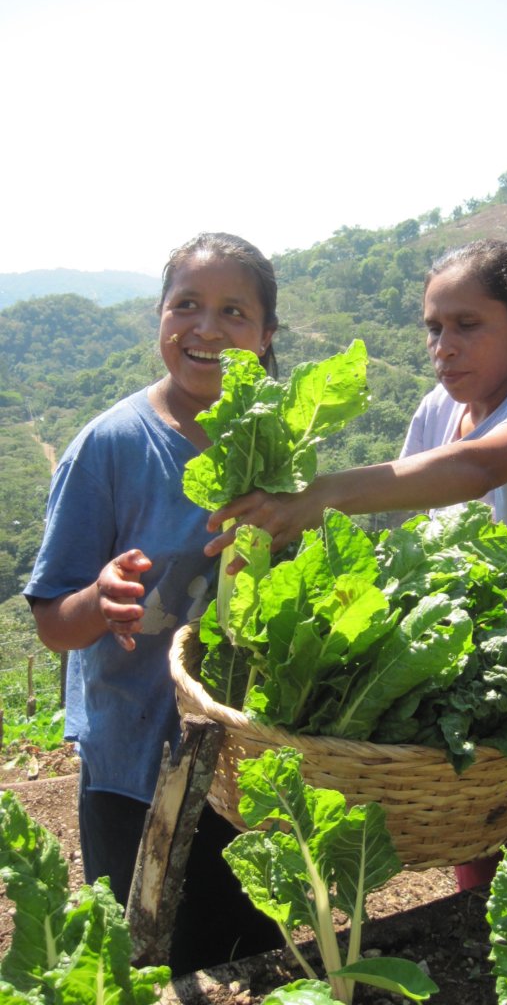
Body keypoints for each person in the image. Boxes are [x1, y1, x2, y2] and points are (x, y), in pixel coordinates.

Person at [206, 238, 507, 888]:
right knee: (494, 885)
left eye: (467, 325)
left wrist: (322, 494)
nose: (443, 346)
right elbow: (413, 518)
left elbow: (475, 468)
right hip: (493, 676)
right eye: (433, 327)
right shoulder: (437, 410)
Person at [24, 232, 283, 974]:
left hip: (250, 763)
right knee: (151, 965)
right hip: (134, 765)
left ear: (265, 336)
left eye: (234, 312)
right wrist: (101, 601)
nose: (206, 328)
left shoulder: (279, 451)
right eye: (187, 306)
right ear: (160, 319)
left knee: (253, 958)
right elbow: (51, 623)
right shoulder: (109, 446)